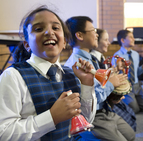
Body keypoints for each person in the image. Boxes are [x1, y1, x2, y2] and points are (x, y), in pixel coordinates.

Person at [0, 6, 97, 141]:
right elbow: (4, 133)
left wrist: (87, 85)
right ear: (27, 44)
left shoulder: (72, 74)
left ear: (64, 42)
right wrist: (52, 117)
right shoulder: (13, 76)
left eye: (56, 28)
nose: (49, 32)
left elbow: (85, 119)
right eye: (39, 29)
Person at [65, 17, 134, 141]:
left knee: (131, 135)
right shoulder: (75, 65)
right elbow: (87, 101)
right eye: (93, 30)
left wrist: (113, 96)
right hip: (93, 116)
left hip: (104, 109)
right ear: (80, 35)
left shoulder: (91, 59)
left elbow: (99, 85)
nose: (96, 34)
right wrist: (111, 84)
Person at [90, 29, 136, 132]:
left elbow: (104, 74)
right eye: (106, 40)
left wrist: (115, 69)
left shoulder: (102, 59)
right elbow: (98, 84)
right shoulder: (92, 60)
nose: (109, 43)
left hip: (107, 98)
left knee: (131, 116)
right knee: (129, 118)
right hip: (100, 105)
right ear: (96, 41)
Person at [112, 29, 143, 113]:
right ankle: (123, 101)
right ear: (122, 40)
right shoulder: (117, 56)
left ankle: (133, 99)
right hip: (127, 86)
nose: (134, 39)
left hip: (137, 85)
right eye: (130, 37)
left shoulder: (135, 54)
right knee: (135, 109)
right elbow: (115, 75)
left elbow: (137, 73)